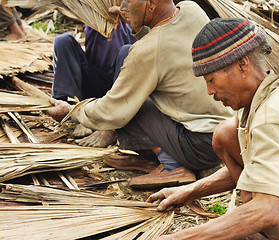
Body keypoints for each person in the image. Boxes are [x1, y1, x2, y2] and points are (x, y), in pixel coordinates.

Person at [146, 18, 279, 239]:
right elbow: (256, 166)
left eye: (211, 79)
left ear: (242, 65)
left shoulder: (272, 116)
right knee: (228, 134)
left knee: (261, 197)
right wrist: (189, 191)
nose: (209, 91)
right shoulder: (272, 97)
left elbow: (267, 210)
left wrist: (178, 237)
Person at [47, 0, 233, 188]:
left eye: (128, 1)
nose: (123, 7)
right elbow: (163, 41)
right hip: (225, 135)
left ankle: (172, 166)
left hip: (198, 147)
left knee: (129, 103)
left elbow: (113, 111)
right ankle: (149, 158)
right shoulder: (191, 9)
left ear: (150, 5)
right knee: (137, 93)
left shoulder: (147, 51)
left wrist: (73, 111)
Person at [51, 1, 136, 147]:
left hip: (123, 84)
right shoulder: (94, 6)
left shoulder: (137, 8)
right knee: (63, 40)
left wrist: (129, 15)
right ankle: (74, 110)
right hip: (94, 81)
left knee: (127, 51)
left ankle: (111, 126)